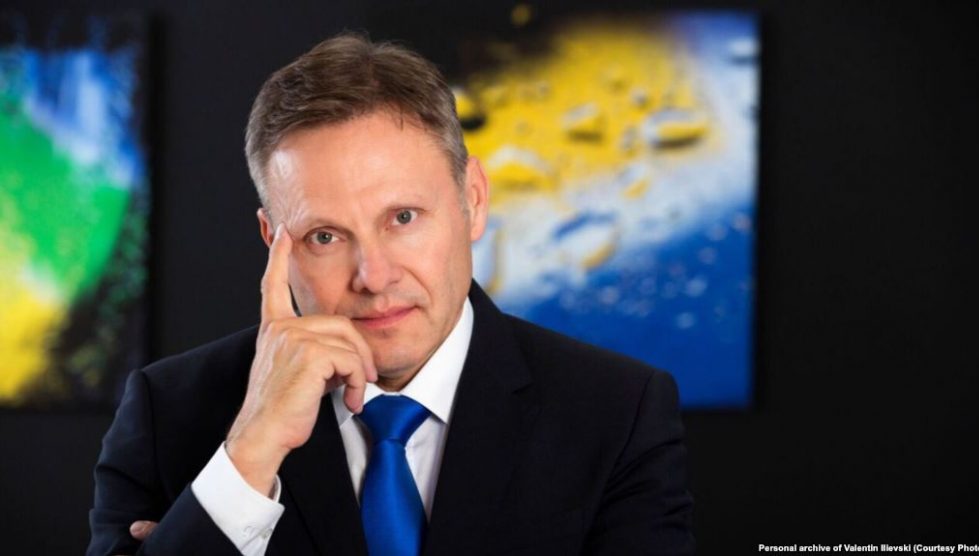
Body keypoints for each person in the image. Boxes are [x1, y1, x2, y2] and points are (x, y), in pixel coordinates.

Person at [88, 32, 694, 556]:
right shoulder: (168, 414)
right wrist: (247, 456)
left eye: (402, 218)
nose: (373, 277)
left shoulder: (618, 414)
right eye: (325, 236)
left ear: (473, 199)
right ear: (273, 240)